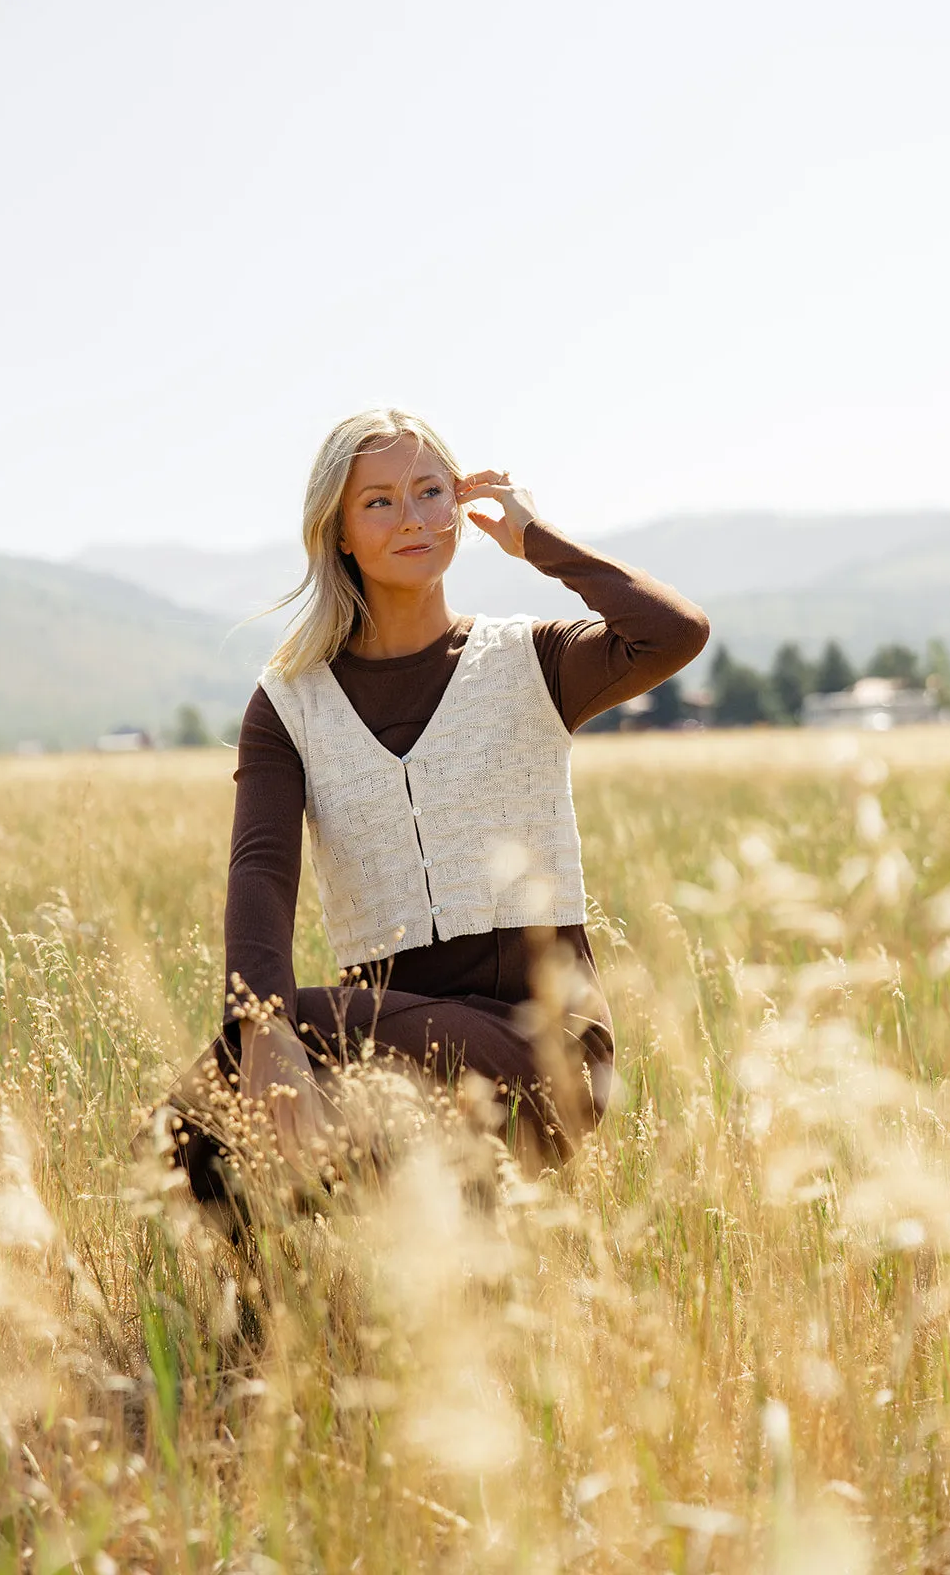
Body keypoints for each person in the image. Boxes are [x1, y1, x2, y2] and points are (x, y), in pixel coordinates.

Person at [155, 408, 709, 1210]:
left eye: (429, 492)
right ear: (338, 532)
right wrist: (263, 1031)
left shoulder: (534, 661)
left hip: (543, 1048)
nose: (412, 518)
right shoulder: (289, 704)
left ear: (460, 505)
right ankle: (263, 1322)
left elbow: (673, 633)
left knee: (262, 1037)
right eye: (378, 502)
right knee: (218, 1100)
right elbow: (260, 873)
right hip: (385, 1043)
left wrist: (536, 538)